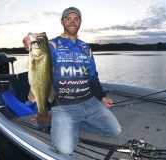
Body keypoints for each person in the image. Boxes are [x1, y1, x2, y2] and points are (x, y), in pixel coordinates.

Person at [23, 7, 121, 155]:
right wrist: (28, 43)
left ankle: (75, 125)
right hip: (64, 106)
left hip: (90, 102)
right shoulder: (52, 45)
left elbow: (93, 77)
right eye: (68, 18)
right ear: (62, 21)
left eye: (76, 19)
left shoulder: (86, 48)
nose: (72, 22)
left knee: (115, 130)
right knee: (65, 149)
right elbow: (33, 48)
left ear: (80, 22)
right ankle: (60, 123)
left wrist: (101, 96)